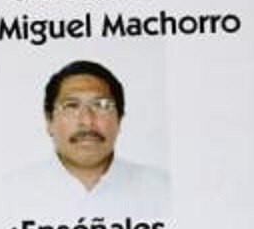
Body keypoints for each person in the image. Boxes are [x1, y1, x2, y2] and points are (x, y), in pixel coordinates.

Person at [9, 59, 170, 217]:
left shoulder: (164, 191)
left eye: (101, 105)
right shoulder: (10, 195)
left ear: (119, 120)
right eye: (71, 106)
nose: (87, 121)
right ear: (49, 121)